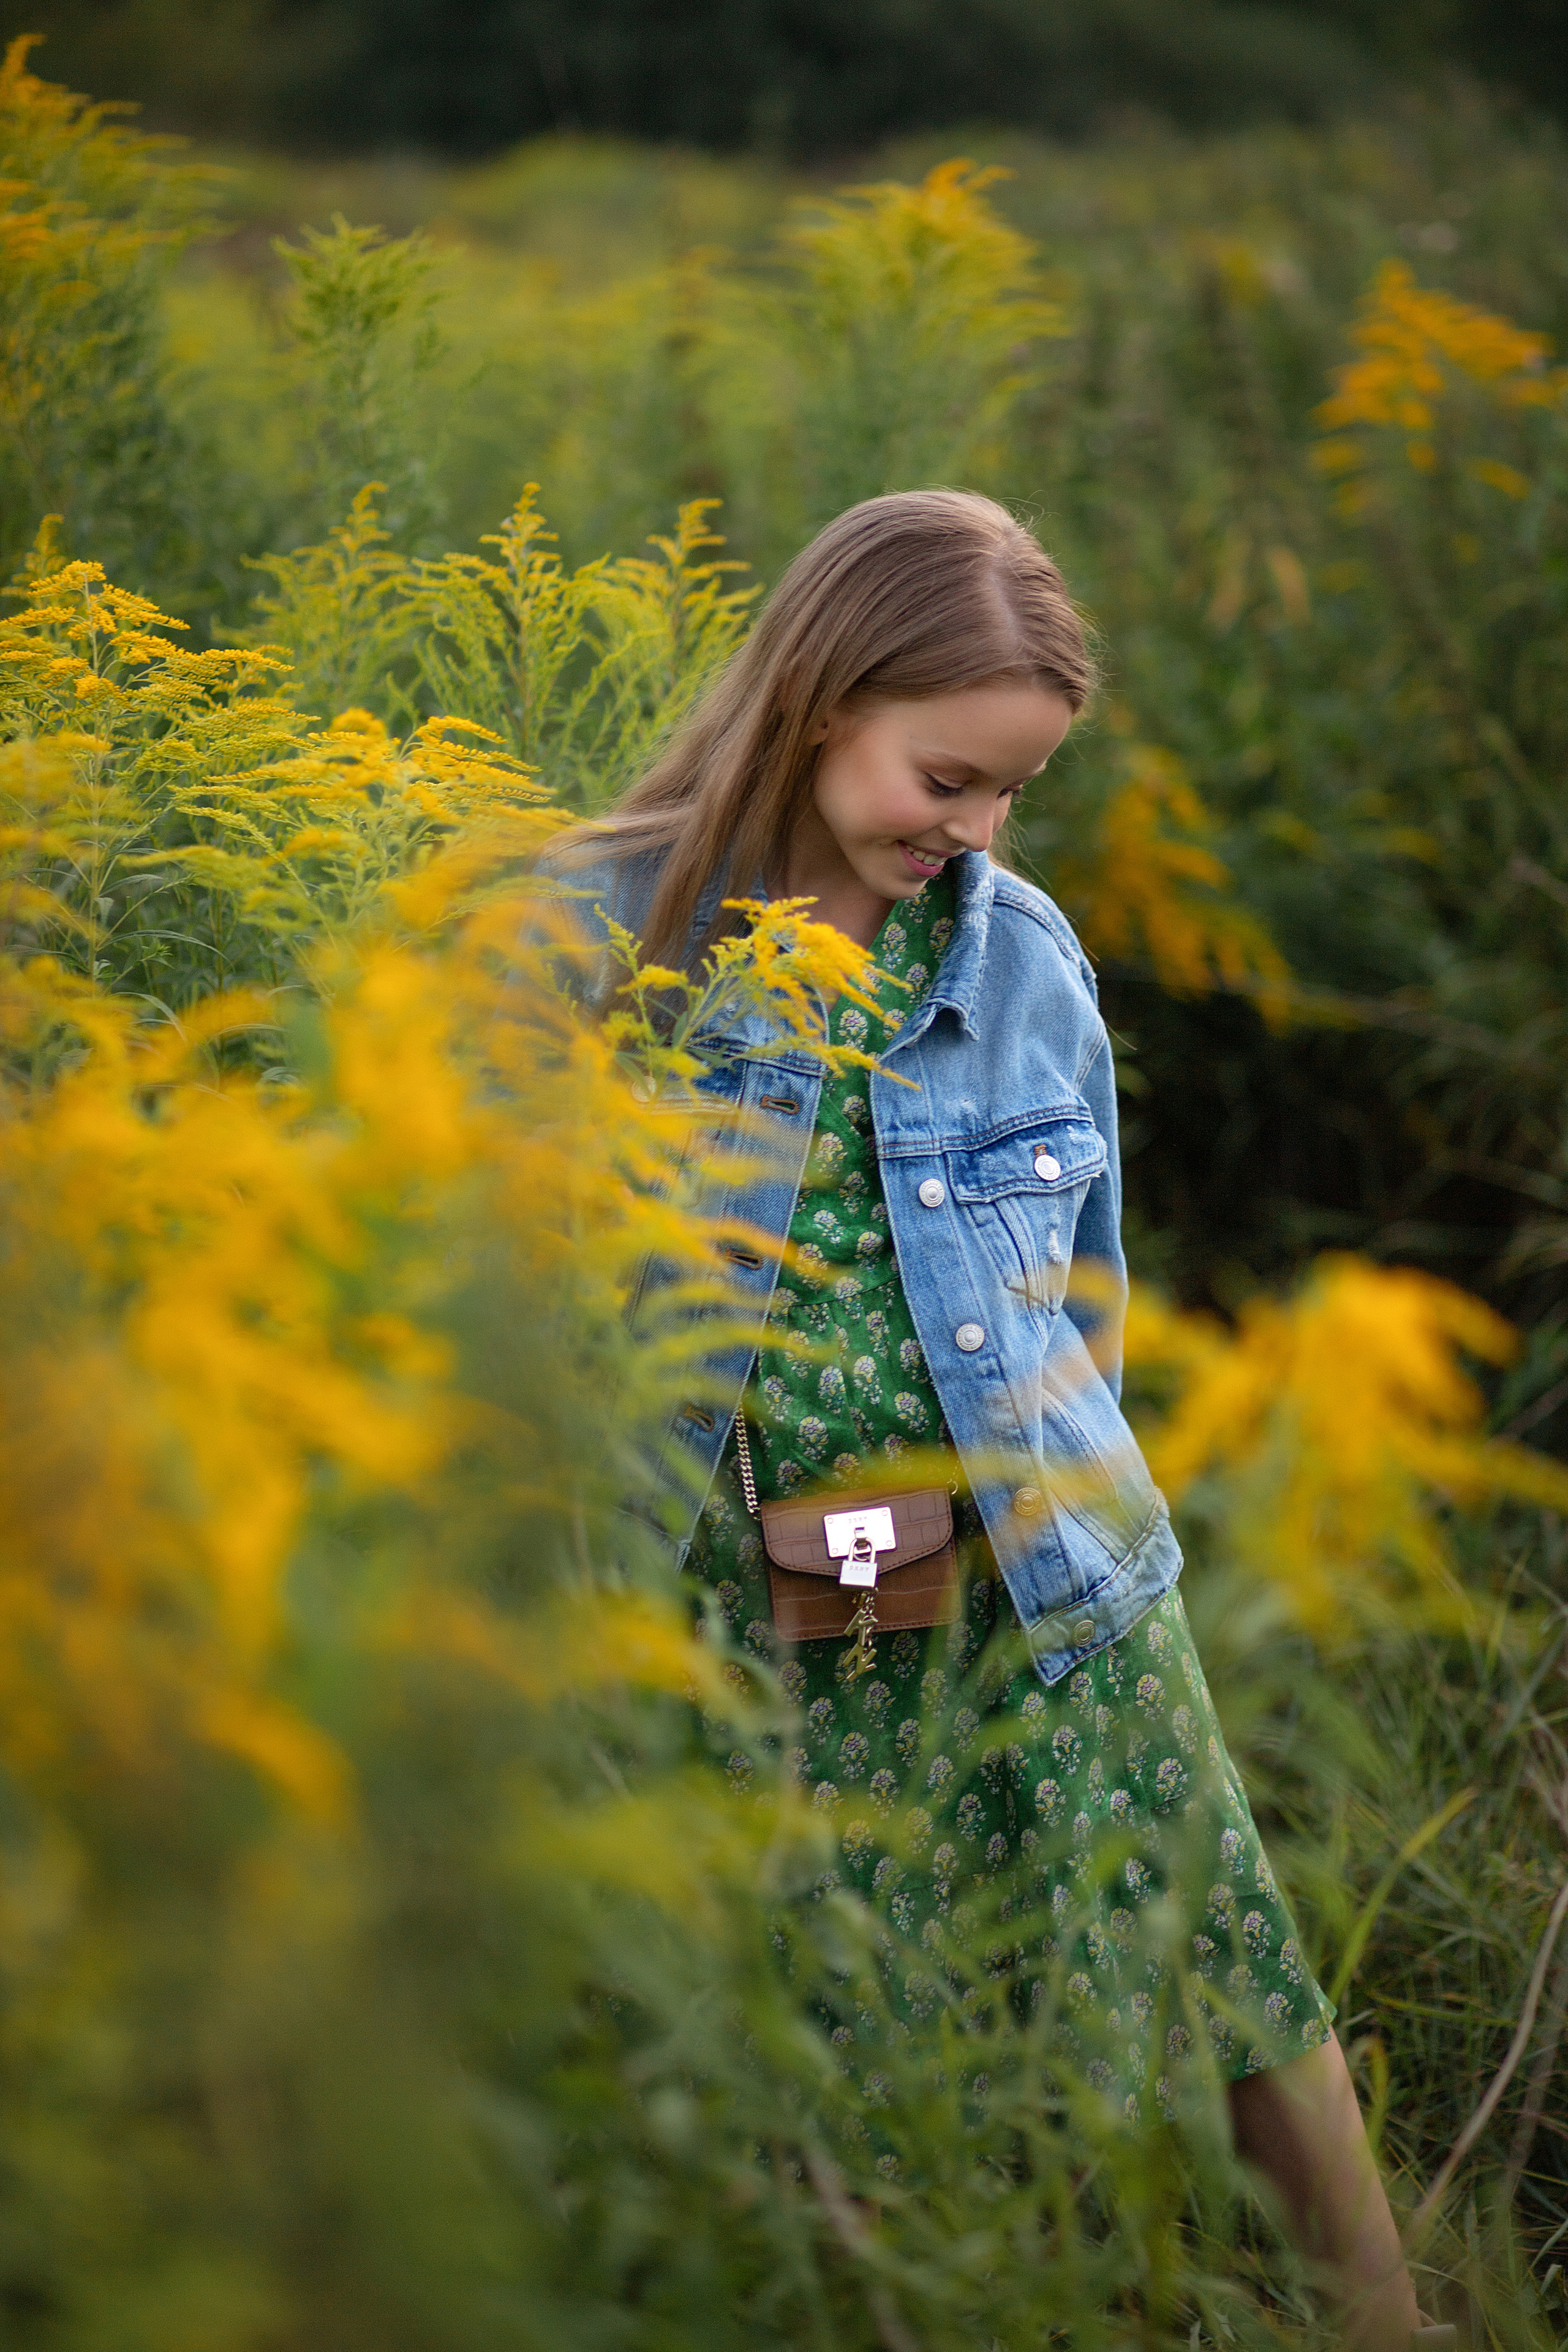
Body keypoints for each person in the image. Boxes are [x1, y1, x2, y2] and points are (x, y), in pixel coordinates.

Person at [562, 490, 1429, 2346]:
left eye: (1007, 794)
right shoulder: (585, 937)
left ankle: (1387, 2318)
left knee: (1211, 1923)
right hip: (716, 1586)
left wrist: (1072, 1524)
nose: (968, 832)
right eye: (945, 777)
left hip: (1034, 1549)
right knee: (832, 1983)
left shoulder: (1018, 956)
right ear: (818, 701)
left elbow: (1086, 1288)